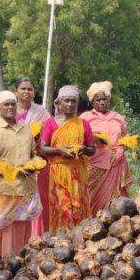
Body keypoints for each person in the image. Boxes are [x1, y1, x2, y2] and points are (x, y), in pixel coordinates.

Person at [0, 91, 42, 256]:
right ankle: (0, 260)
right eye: (6, 104)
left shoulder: (25, 129)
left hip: (26, 186)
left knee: (23, 224)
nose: (11, 107)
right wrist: (1, 166)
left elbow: (33, 153)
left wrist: (35, 163)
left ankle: (19, 259)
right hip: (5, 188)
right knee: (2, 227)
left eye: (13, 104)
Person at [39, 85, 95, 231]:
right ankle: (60, 240)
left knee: (78, 208)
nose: (70, 104)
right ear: (59, 103)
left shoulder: (83, 124)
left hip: (78, 173)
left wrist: (82, 150)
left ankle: (80, 238)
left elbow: (92, 149)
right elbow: (42, 148)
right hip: (58, 173)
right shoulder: (50, 123)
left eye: (73, 101)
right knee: (62, 207)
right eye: (67, 101)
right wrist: (59, 150)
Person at [80, 81, 134, 216]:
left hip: (117, 162)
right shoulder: (85, 118)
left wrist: (123, 148)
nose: (102, 102)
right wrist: (94, 138)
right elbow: (79, 140)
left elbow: (124, 138)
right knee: (91, 196)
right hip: (95, 163)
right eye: (98, 100)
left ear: (109, 100)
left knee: (116, 201)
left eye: (105, 99)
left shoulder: (118, 118)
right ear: (92, 102)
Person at [15, 77, 52, 233]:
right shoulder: (7, 108)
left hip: (36, 164)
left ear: (34, 92)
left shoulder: (41, 112)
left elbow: (50, 133)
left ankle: (36, 235)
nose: (26, 92)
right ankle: (15, 236)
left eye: (29, 89)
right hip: (12, 164)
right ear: (15, 91)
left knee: (37, 200)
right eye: (23, 88)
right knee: (14, 201)